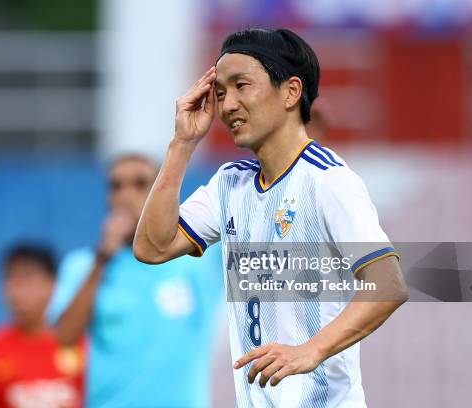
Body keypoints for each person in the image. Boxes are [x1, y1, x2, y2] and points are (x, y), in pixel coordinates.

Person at [133, 28, 408, 407]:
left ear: (291, 92)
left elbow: (388, 283)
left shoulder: (328, 180)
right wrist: (182, 143)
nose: (228, 105)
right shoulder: (229, 185)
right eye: (222, 92)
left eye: (242, 85)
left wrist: (311, 350)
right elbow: (152, 246)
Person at [48, 154, 224, 408]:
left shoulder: (198, 257)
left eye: (140, 184)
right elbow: (65, 336)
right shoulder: (85, 266)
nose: (125, 196)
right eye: (116, 186)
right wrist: (102, 260)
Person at [0, 244, 85, 408]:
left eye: (28, 280)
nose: (18, 291)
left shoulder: (83, 347)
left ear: (53, 285)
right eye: (11, 280)